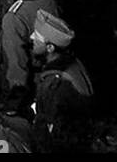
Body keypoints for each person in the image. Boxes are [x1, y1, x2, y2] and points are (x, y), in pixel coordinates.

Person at [0, 0, 59, 119]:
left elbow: (16, 65)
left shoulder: (14, 16)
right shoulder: (49, 1)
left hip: (27, 91)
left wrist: (11, 104)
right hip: (48, 78)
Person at [30, 10, 95, 153]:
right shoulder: (73, 63)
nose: (32, 37)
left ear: (50, 48)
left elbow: (51, 130)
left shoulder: (54, 84)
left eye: (37, 37)